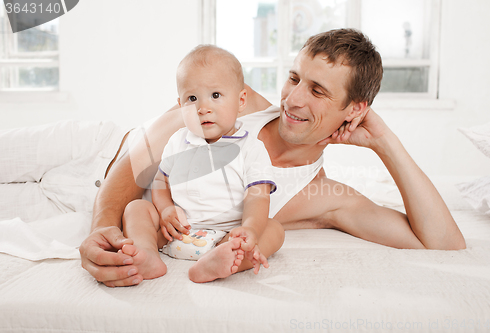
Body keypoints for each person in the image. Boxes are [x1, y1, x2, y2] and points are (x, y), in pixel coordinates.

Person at [73, 28, 465, 288]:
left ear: (354, 109)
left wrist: (385, 142)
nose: (293, 100)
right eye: (294, 78)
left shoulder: (324, 196)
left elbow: (444, 244)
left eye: (318, 91)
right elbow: (136, 159)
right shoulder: (233, 106)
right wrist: (101, 226)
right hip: (100, 157)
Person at [119, 45, 283, 283]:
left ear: (241, 100)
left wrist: (250, 229)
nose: (203, 108)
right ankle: (147, 253)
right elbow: (160, 180)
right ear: (180, 104)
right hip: (176, 232)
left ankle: (221, 262)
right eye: (192, 98)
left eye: (215, 95)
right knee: (136, 208)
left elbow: (258, 196)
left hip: (228, 237)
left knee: (274, 230)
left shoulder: (250, 148)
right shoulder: (178, 140)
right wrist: (166, 210)